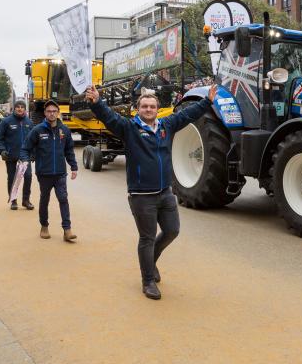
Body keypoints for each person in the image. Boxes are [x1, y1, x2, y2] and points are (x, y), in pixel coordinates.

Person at [86, 83, 216, 301]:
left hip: (165, 192)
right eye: (144, 106)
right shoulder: (129, 128)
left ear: (157, 109)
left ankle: (151, 261)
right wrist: (97, 102)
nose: (148, 109)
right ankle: (148, 280)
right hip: (141, 196)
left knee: (172, 230)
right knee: (146, 238)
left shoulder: (166, 125)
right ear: (138, 109)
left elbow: (188, 115)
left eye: (152, 106)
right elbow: (109, 118)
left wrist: (207, 101)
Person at [20, 100, 78, 243]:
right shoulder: (37, 130)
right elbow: (25, 148)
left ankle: (67, 229)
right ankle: (44, 226)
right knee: (44, 200)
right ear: (45, 113)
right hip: (44, 173)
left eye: (54, 111)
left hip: (60, 173)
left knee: (63, 199)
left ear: (58, 113)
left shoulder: (64, 130)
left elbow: (69, 150)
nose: (51, 114)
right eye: (49, 111)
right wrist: (25, 160)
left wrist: (74, 166)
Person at [0, 100, 34, 210]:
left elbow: (34, 140)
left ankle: (26, 200)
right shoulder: (6, 121)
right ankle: (13, 200)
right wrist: (2, 150)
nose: (20, 108)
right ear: (14, 108)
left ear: (25, 109)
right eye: (18, 107)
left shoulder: (29, 122)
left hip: (25, 156)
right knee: (12, 178)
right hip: (11, 155)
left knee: (28, 176)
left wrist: (34, 153)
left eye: (22, 107)